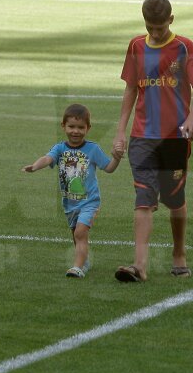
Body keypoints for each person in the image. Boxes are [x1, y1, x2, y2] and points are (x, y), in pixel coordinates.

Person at [111, 0, 193, 283]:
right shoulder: (135, 47)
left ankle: (179, 254)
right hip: (142, 137)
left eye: (160, 27)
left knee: (174, 199)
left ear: (171, 20)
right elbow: (131, 89)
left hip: (175, 138)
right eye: (149, 27)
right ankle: (140, 266)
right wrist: (120, 130)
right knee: (143, 198)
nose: (154, 33)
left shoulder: (184, 47)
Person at [22, 103, 123, 278]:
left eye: (81, 127)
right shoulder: (60, 148)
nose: (75, 131)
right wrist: (35, 166)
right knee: (76, 236)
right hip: (70, 203)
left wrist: (117, 158)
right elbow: (47, 158)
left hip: (89, 202)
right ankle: (84, 261)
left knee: (80, 232)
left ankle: (77, 268)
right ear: (63, 126)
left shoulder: (93, 149)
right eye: (71, 126)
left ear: (88, 128)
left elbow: (108, 168)